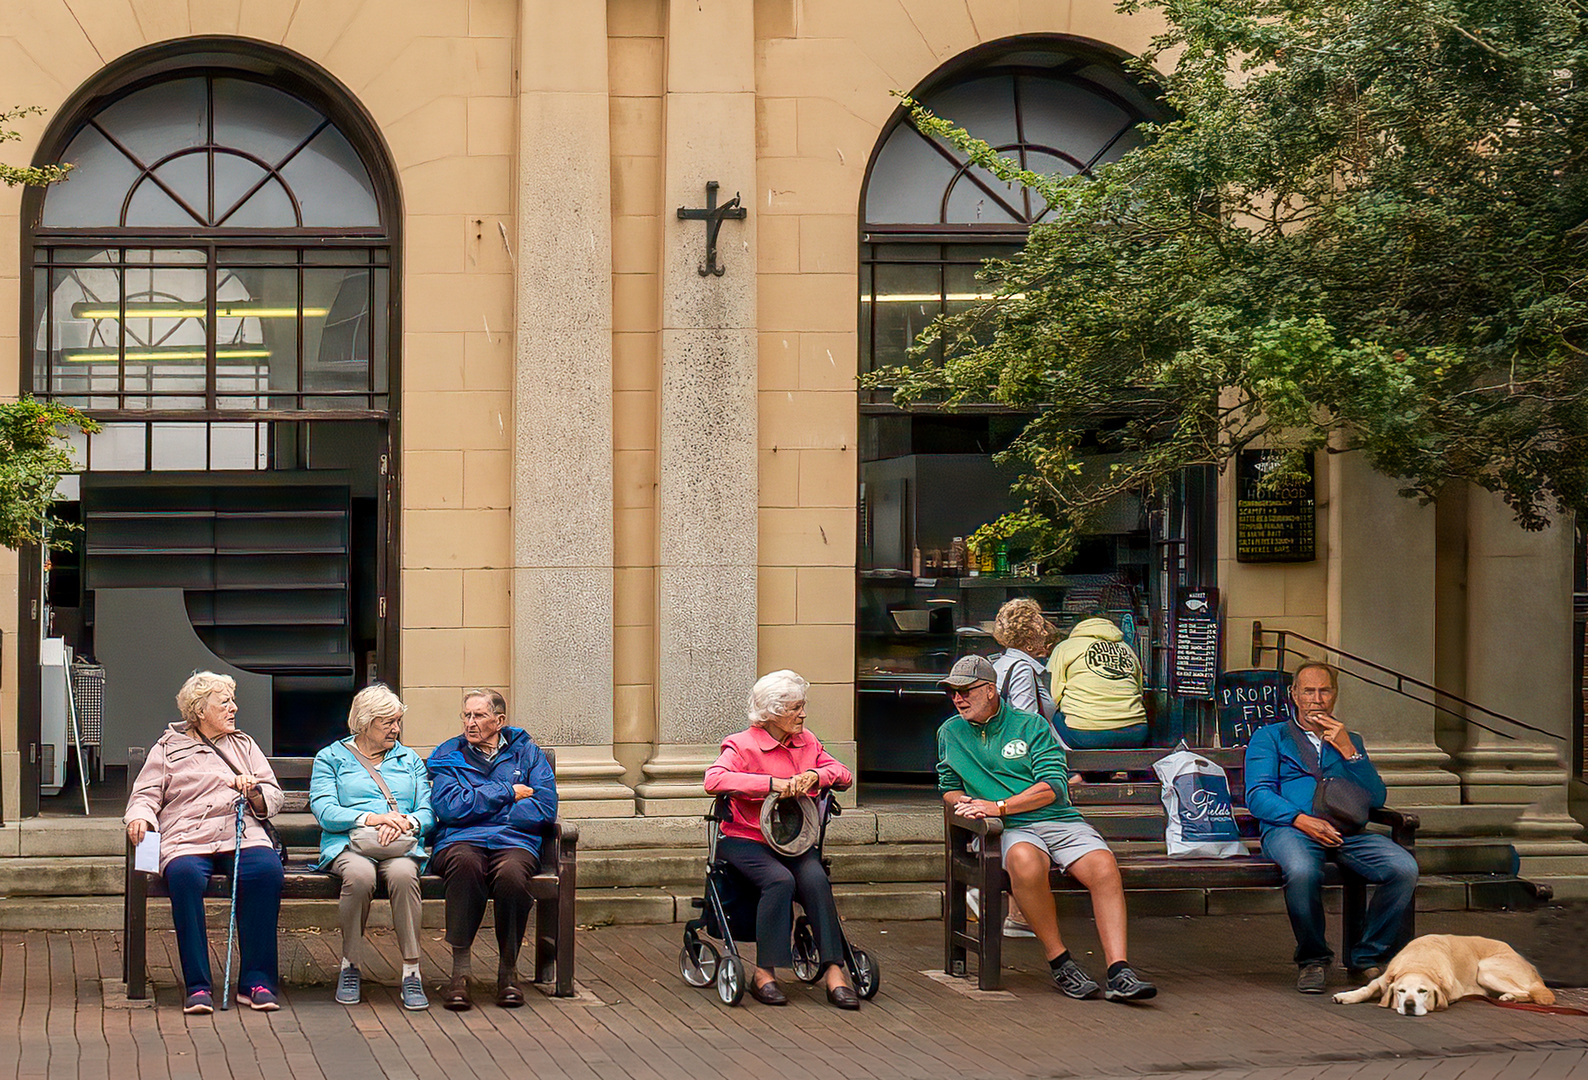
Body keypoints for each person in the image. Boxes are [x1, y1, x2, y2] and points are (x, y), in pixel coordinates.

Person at [936, 654, 1156, 1002]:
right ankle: (1060, 961)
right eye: (952, 693)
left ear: (991, 690)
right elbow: (947, 784)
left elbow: (1053, 785)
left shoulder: (1031, 725)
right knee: (1024, 859)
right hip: (1005, 828)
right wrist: (965, 803)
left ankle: (1119, 970)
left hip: (1055, 818)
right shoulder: (950, 732)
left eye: (965, 691)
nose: (958, 699)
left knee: (1102, 865)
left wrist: (999, 804)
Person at [1244, 660, 1419, 994]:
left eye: (1324, 691)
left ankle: (1366, 955)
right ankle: (1313, 959)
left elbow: (1376, 797)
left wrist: (1350, 752)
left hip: (1345, 831)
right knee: (1302, 870)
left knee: (1403, 868)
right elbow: (1257, 795)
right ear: (1293, 694)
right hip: (1290, 828)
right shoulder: (1270, 737)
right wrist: (1300, 819)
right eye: (1308, 691)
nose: (1316, 699)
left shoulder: (1349, 739)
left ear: (1335, 696)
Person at [123, 672, 285, 1014]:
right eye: (224, 702)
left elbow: (273, 795)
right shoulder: (167, 748)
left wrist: (254, 791)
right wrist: (140, 817)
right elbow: (146, 793)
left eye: (232, 701)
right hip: (187, 838)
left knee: (266, 871)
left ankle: (257, 981)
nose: (234, 708)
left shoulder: (244, 745)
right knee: (183, 876)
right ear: (199, 711)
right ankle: (197, 986)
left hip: (241, 834)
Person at [702, 670, 860, 1010]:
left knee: (816, 878)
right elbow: (714, 780)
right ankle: (764, 973)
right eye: (795, 708)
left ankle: (835, 970)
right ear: (772, 712)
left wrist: (816, 774)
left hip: (792, 840)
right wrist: (770, 783)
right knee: (779, 880)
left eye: (802, 706)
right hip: (744, 838)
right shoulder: (742, 744)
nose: (802, 714)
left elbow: (843, 774)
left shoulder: (808, 742)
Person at [426, 688, 557, 1011]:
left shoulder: (528, 754)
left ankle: (508, 971)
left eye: (479, 716)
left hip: (513, 841)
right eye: (466, 715)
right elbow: (449, 807)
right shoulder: (449, 754)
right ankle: (461, 972)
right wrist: (506, 793)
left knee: (513, 874)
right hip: (460, 840)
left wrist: (485, 805)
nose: (470, 723)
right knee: (465, 865)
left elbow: (545, 806)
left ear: (499, 721)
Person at [310, 684, 435, 1010]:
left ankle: (411, 970)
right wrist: (371, 818)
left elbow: (427, 809)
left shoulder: (409, 760)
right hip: (350, 844)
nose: (396, 729)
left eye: (397, 722)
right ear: (364, 722)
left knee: (405, 875)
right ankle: (350, 964)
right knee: (361, 877)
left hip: (400, 846)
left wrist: (407, 823)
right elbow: (325, 810)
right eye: (388, 722)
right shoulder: (331, 757)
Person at [1047, 614, 1149, 750]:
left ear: (1078, 626)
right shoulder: (1127, 649)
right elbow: (1139, 689)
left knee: (1048, 717)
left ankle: (1070, 771)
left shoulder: (1065, 647)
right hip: (1135, 734)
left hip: (1084, 736)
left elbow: (1051, 696)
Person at [991, 598, 1058, 721]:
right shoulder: (1022, 670)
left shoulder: (1000, 663)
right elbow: (1026, 722)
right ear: (1029, 641)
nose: (1045, 633)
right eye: (1041, 628)